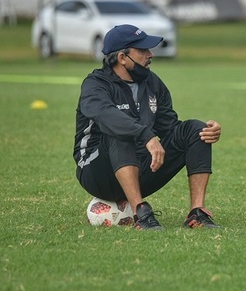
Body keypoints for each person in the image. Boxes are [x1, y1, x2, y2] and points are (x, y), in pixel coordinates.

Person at [74, 24, 222, 230]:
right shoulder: (95, 85)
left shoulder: (152, 83)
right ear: (122, 57)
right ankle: (142, 214)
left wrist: (206, 132)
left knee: (195, 130)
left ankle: (197, 214)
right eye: (142, 50)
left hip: (141, 167)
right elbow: (105, 115)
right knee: (120, 132)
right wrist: (146, 136)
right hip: (96, 172)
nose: (150, 54)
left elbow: (169, 127)